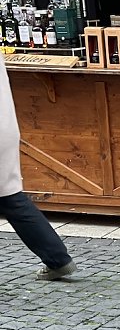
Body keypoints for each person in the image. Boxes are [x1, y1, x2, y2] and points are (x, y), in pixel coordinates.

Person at [1, 57, 76, 281]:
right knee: (10, 198)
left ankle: (58, 260)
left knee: (10, 199)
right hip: (5, 130)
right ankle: (58, 259)